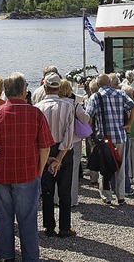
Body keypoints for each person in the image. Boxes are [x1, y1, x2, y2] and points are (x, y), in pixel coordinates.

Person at [0, 72, 52, 262]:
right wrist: (39, 171)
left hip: (1, 174)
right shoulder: (35, 114)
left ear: (6, 92)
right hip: (27, 174)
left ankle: (6, 255)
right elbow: (45, 146)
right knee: (27, 220)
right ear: (24, 91)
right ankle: (30, 257)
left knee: (4, 219)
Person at [85, 73, 134, 205]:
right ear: (109, 83)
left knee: (105, 167)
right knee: (120, 167)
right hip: (120, 136)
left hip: (104, 139)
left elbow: (89, 118)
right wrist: (129, 124)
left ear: (98, 84)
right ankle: (121, 196)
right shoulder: (120, 94)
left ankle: (107, 196)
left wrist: (90, 133)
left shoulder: (95, 97)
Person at [35, 73, 76, 238]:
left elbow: (36, 136)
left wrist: (49, 158)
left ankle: (49, 226)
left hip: (45, 149)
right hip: (63, 151)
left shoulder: (38, 107)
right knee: (65, 190)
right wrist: (59, 158)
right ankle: (65, 227)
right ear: (59, 88)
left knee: (47, 190)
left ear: (45, 87)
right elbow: (69, 135)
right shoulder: (68, 106)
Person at [57, 79, 90, 207]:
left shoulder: (55, 103)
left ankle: (56, 198)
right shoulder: (74, 104)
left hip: (58, 139)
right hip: (74, 139)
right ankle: (72, 198)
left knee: (56, 168)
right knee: (73, 170)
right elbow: (85, 118)